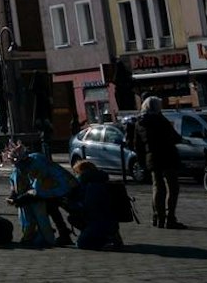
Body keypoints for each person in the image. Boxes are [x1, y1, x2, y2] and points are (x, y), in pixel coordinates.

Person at [9, 151, 76, 247]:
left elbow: (37, 190)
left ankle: (59, 233)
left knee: (67, 208)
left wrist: (19, 199)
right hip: (59, 186)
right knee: (52, 208)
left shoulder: (37, 165)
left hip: (62, 187)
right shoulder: (33, 159)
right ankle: (63, 233)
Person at [137, 96, 185, 229]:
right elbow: (173, 137)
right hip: (167, 156)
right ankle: (170, 218)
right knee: (172, 187)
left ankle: (158, 217)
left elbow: (137, 144)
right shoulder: (160, 120)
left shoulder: (140, 122)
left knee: (157, 187)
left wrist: (143, 160)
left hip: (152, 157)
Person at [68, 159, 127, 250]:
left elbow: (89, 207)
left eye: (76, 173)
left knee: (81, 244)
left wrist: (73, 202)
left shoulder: (90, 187)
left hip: (98, 221)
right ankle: (108, 236)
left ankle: (104, 239)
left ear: (82, 172)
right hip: (108, 220)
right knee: (74, 218)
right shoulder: (100, 182)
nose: (76, 176)